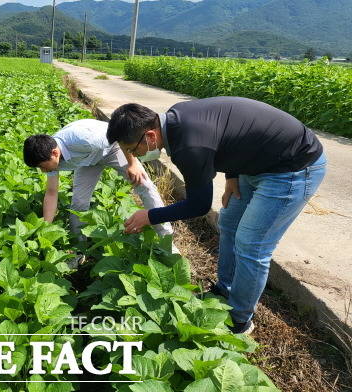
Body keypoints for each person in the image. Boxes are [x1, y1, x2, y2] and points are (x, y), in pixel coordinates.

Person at [106, 97, 326, 334]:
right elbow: (233, 132)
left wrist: (150, 216)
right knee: (229, 223)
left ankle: (240, 320)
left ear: (150, 136)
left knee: (251, 244)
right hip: (258, 162)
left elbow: (199, 205)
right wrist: (232, 175)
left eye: (132, 150)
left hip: (292, 168)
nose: (135, 156)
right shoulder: (175, 118)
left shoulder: (188, 147)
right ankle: (225, 289)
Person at [23, 118, 174, 267]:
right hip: (88, 160)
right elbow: (51, 192)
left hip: (114, 147)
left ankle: (167, 241)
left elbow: (121, 136)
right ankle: (79, 250)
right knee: (78, 204)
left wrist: (132, 163)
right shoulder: (48, 158)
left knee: (143, 184)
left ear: (55, 153)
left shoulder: (83, 139)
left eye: (43, 166)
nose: (43, 170)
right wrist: (45, 228)